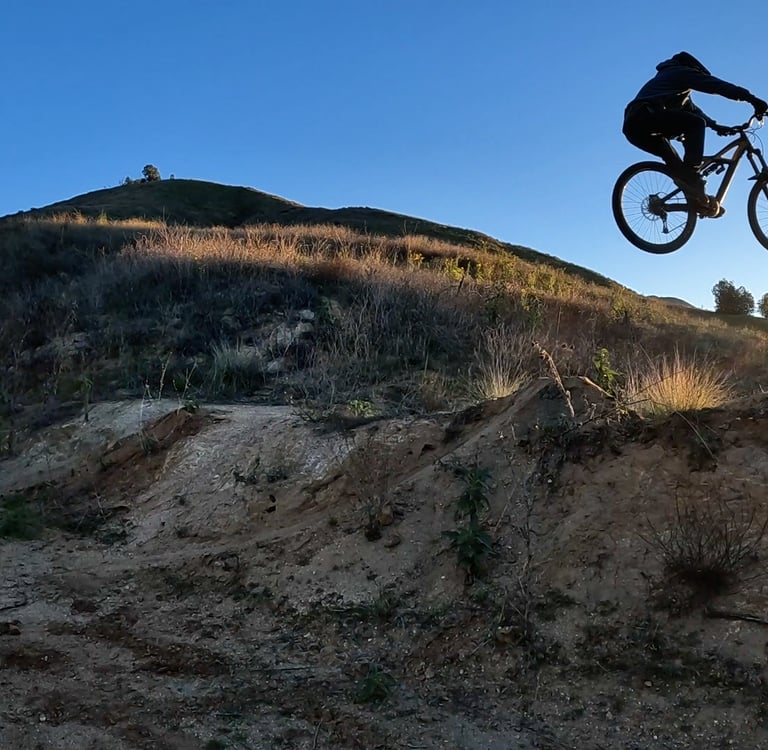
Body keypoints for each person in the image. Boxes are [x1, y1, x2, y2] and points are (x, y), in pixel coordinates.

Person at [622, 51, 768, 216]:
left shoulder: (673, 87)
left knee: (678, 166)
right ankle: (693, 176)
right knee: (695, 127)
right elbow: (717, 86)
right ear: (692, 68)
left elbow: (695, 111)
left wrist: (717, 126)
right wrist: (751, 99)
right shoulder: (680, 72)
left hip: (634, 127)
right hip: (645, 116)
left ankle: (695, 200)